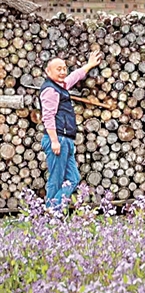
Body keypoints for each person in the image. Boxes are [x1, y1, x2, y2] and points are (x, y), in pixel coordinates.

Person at [40, 51, 103, 209]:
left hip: (66, 139)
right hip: (58, 139)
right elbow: (48, 116)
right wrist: (54, 141)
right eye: (58, 69)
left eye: (64, 68)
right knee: (56, 180)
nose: (62, 72)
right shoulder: (50, 90)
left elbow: (74, 77)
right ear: (48, 71)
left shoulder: (60, 87)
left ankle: (53, 210)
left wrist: (89, 65)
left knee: (73, 179)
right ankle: (51, 212)